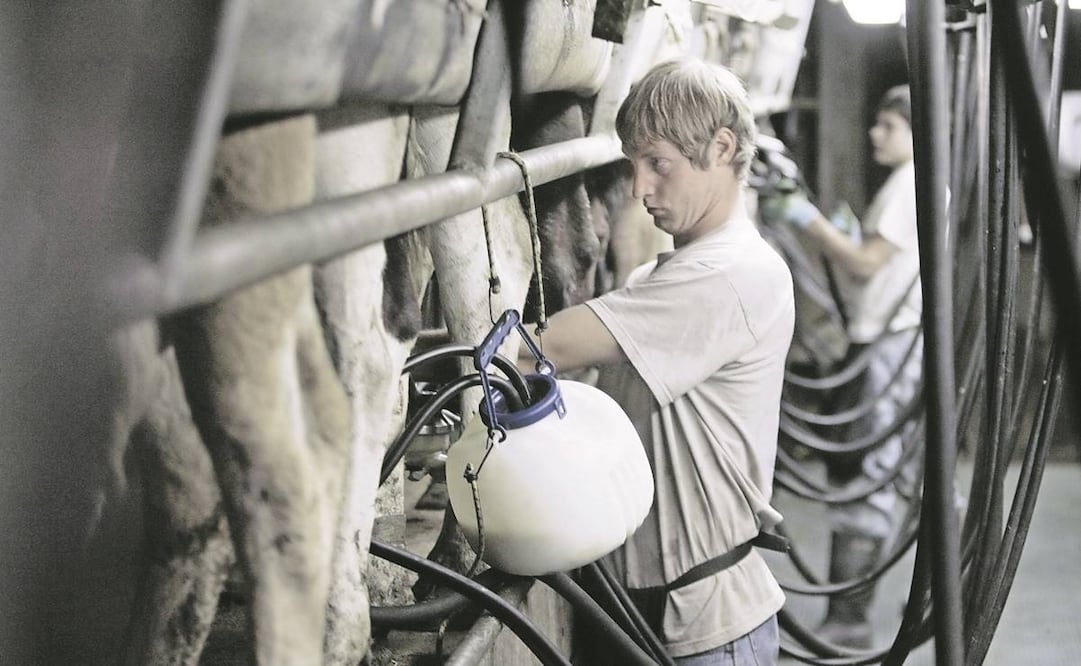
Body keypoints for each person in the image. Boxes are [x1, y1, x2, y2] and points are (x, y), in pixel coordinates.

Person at [521, 57, 795, 664]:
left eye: (659, 164)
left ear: (722, 147)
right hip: (639, 612)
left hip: (702, 630)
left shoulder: (729, 275)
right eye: (634, 165)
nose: (641, 188)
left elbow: (546, 348)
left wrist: (447, 351)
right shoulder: (657, 275)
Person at [761, 84, 923, 649]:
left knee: (867, 475)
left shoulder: (912, 186)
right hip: (888, 340)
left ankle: (850, 618)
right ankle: (944, 588)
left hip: (889, 346)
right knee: (908, 471)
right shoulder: (905, 186)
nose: (876, 134)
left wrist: (805, 220)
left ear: (916, 130)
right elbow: (868, 267)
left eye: (889, 126)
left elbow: (863, 262)